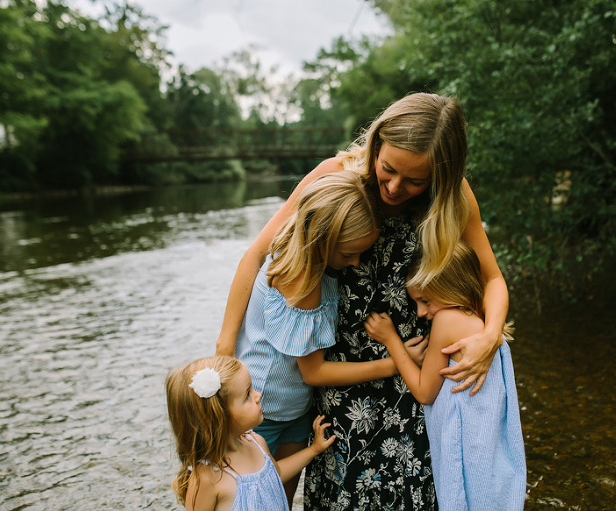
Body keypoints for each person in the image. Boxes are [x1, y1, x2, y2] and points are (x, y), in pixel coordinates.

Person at [215, 92, 510, 510]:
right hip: (340, 380)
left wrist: (490, 336)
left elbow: (492, 278)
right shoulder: (335, 177)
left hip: (414, 378)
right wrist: (225, 348)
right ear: (376, 145)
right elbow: (257, 256)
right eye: (388, 168)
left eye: (415, 181)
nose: (395, 187)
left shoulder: (452, 197)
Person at [234, 171, 426, 507]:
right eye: (349, 253)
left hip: (293, 410)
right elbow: (314, 372)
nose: (355, 262)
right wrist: (396, 362)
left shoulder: (311, 261)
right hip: (264, 411)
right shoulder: (303, 280)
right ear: (322, 239)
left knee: (278, 502)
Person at [364, 241, 526, 511]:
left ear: (451, 288)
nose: (420, 313)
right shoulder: (483, 318)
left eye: (425, 301)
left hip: (468, 450)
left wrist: (391, 339)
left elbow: (424, 392)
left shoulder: (447, 320)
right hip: (488, 449)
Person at [164, 356, 335, 511]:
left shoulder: (257, 442)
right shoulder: (207, 478)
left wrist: (313, 449)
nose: (258, 395)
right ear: (220, 417)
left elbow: (277, 474)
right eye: (247, 395)